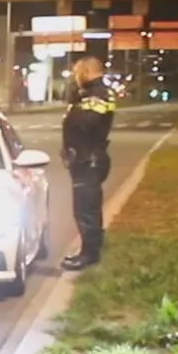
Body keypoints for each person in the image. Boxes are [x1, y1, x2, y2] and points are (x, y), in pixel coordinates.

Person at [61, 55, 115, 271]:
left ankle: (89, 254)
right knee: (87, 207)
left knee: (85, 209)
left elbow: (86, 123)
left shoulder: (96, 95)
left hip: (88, 159)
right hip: (87, 158)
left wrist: (75, 103)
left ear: (86, 71)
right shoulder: (92, 94)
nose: (75, 78)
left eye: (77, 73)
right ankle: (91, 250)